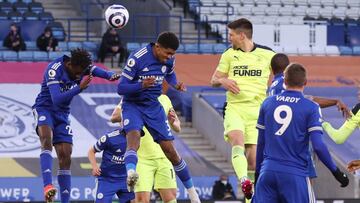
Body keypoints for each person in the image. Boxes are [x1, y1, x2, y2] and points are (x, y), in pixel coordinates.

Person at [117, 31, 200, 203]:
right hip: (133, 105)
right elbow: (121, 88)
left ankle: (193, 194)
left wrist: (175, 83)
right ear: (157, 47)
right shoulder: (137, 58)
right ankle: (131, 173)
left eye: (173, 54)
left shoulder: (169, 59)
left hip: (153, 106)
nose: (169, 57)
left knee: (170, 151)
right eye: (167, 53)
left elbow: (169, 73)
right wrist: (141, 84)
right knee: (133, 139)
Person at [32, 48, 120, 203]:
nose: (79, 76)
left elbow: (94, 70)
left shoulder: (81, 66)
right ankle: (47, 186)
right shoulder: (54, 69)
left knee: (65, 155)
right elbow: (57, 99)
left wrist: (110, 75)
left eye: (82, 73)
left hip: (63, 114)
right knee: (46, 139)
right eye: (77, 73)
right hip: (45, 108)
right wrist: (79, 87)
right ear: (70, 64)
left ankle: (64, 201)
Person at [253, 63, 349, 203]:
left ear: (284, 81)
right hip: (295, 175)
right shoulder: (311, 107)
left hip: (267, 173)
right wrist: (336, 172)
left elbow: (261, 143)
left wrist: (258, 174)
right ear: (305, 82)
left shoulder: (267, 103)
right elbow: (318, 146)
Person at [210, 18, 275, 199]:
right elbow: (213, 80)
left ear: (242, 35)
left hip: (257, 111)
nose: (229, 38)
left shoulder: (268, 54)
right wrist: (223, 80)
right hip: (235, 108)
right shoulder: (229, 54)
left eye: (231, 35)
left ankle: (249, 196)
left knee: (253, 161)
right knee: (237, 141)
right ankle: (244, 180)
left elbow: (282, 76)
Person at [269, 53, 351, 181]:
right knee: (306, 190)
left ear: (271, 69)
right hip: (295, 153)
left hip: (274, 156)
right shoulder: (283, 84)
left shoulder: (272, 88)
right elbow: (305, 102)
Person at [110, 94, 179, 203]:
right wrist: (135, 113)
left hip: (164, 156)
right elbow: (114, 117)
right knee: (141, 200)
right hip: (142, 159)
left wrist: (172, 122)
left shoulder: (165, 99)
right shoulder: (131, 97)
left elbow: (177, 126)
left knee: (171, 198)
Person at [88, 128, 136, 203]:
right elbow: (91, 151)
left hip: (125, 179)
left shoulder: (137, 138)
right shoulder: (110, 138)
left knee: (133, 201)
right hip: (107, 180)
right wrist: (94, 167)